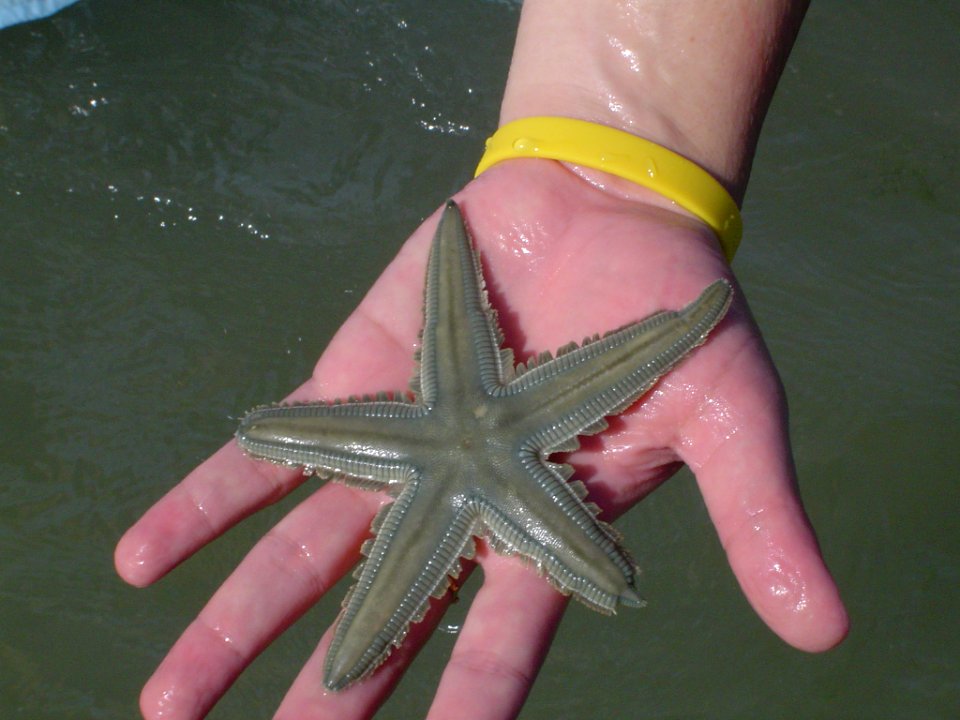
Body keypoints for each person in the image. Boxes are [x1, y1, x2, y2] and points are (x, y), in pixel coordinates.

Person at [115, 1, 849, 718]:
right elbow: (316, 416)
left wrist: (617, 140)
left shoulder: (468, 392)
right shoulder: (470, 403)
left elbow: (472, 311)